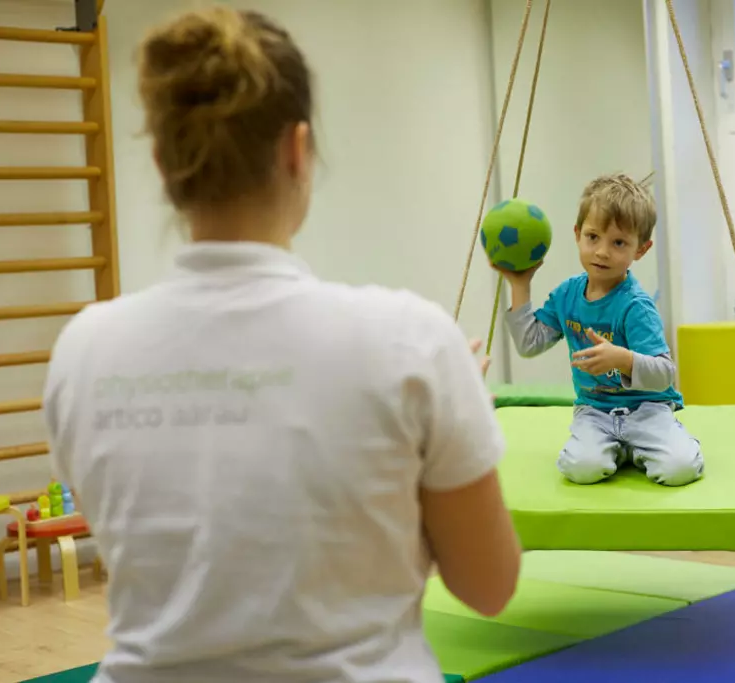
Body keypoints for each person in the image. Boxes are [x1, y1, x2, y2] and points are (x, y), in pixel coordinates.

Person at [41, 6, 520, 682]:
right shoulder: (412, 342)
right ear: (298, 150)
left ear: (163, 165)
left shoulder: (83, 350)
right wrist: (446, 419)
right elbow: (489, 585)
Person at [493, 174, 704, 487]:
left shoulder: (636, 306)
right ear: (577, 234)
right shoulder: (567, 295)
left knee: (680, 469)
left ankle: (650, 445)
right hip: (595, 412)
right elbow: (530, 343)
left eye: (618, 242)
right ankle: (623, 450)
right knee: (581, 469)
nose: (602, 251)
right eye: (593, 237)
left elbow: (664, 374)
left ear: (641, 249)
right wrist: (520, 285)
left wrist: (623, 359)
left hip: (647, 410)